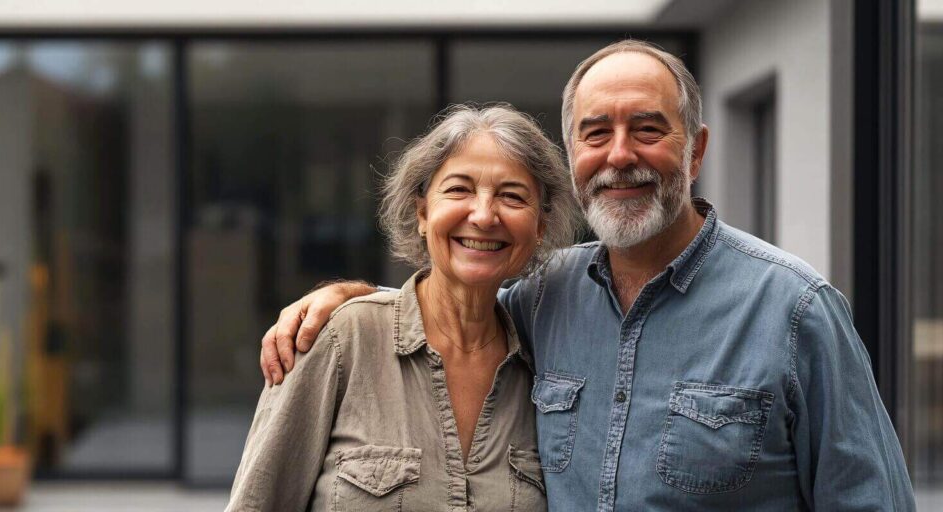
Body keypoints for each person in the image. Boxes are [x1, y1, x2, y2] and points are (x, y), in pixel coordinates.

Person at [259, 40, 916, 510]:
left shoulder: (794, 309)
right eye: (596, 132)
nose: (620, 154)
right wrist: (345, 301)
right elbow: (445, 305)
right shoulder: (543, 299)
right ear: (573, 154)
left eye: (648, 128)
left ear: (696, 150)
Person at [226, 104, 580, 511]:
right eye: (459, 189)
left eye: (512, 196)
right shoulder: (342, 339)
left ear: (539, 227)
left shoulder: (544, 365)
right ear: (422, 212)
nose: (484, 215)